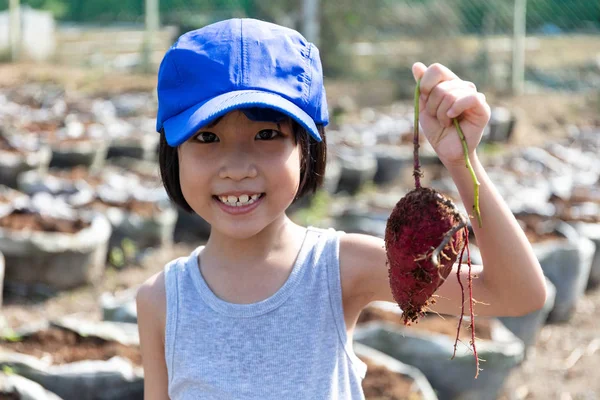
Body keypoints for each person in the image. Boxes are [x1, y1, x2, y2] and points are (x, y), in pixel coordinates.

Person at [136, 18, 547, 400]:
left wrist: (462, 162)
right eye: (207, 138)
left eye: (266, 134)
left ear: (307, 150)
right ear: (173, 154)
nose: (239, 168)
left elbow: (517, 294)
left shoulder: (337, 268)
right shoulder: (162, 301)